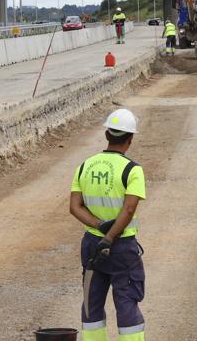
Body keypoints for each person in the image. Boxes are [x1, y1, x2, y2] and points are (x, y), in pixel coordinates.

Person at [70, 109, 146, 341]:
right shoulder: (132, 170)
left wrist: (99, 226)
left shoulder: (85, 166)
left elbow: (75, 207)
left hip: (92, 244)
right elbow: (129, 209)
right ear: (130, 139)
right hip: (121, 247)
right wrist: (110, 237)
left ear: (106, 135)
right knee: (126, 300)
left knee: (91, 301)